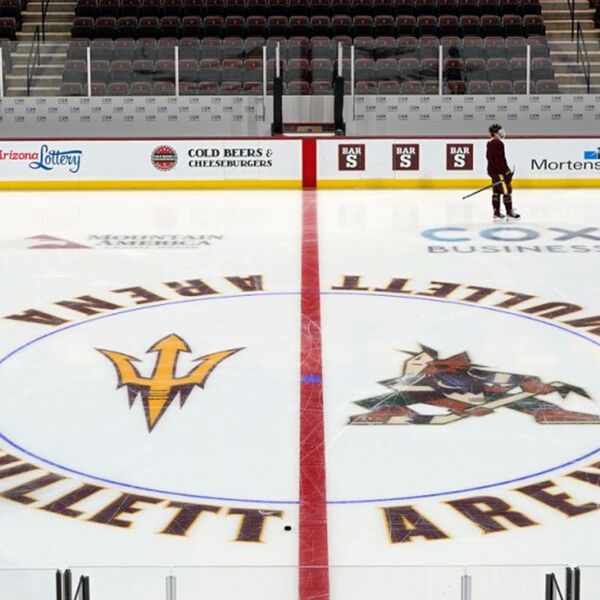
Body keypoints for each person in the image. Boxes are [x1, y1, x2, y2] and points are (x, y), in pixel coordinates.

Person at [486, 123, 520, 222]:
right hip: (499, 173)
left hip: (493, 172)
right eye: (499, 131)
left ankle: (496, 213)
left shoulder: (490, 143)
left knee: (496, 192)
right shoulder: (498, 143)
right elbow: (500, 160)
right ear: (495, 133)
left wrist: (493, 172)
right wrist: (506, 172)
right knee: (506, 191)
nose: (501, 133)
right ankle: (509, 212)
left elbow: (490, 159)